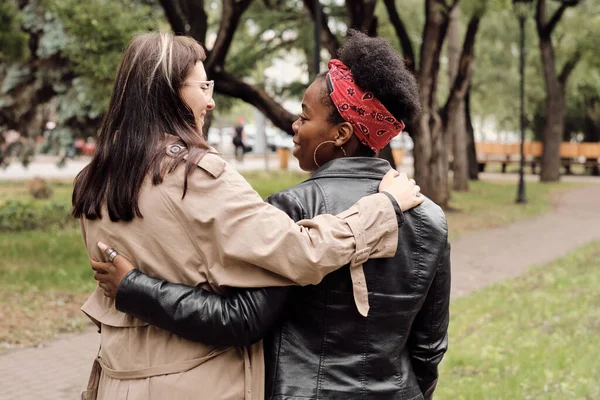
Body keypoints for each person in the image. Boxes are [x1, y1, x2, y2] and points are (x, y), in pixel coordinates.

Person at [92, 30, 450, 400]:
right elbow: (430, 347)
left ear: (342, 133)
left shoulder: (292, 207)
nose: (294, 127)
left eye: (304, 116)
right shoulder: (431, 217)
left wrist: (135, 289)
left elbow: (244, 318)